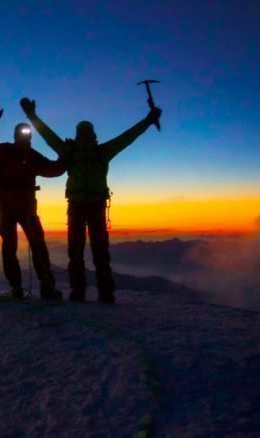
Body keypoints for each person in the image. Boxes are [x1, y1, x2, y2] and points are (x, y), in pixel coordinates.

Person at [19, 97, 162, 303]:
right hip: (89, 205)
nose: (85, 134)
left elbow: (128, 136)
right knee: (92, 250)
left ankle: (87, 292)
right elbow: (127, 137)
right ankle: (100, 293)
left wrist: (148, 121)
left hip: (83, 205)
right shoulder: (98, 152)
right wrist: (32, 116)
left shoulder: (76, 151)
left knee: (88, 250)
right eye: (83, 131)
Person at [0, 103, 65, 300]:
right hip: (17, 208)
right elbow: (54, 170)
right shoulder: (17, 153)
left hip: (13, 207)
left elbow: (54, 170)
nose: (25, 136)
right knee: (31, 246)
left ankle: (22, 287)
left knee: (17, 247)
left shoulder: (20, 154)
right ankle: (41, 287)